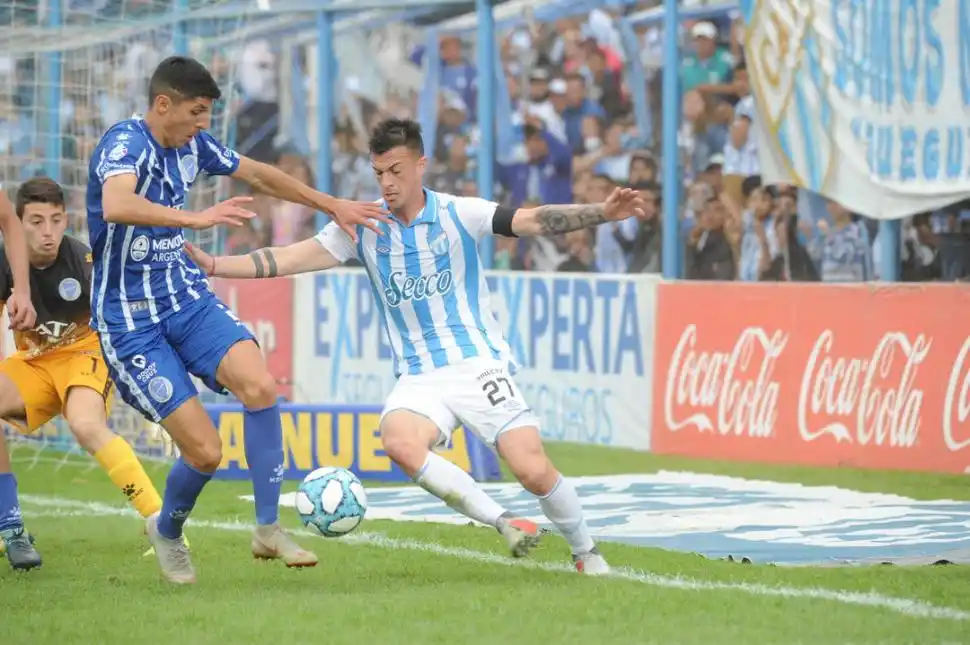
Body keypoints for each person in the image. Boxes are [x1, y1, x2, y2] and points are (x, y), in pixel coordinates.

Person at [185, 118, 647, 575]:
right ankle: (504, 522)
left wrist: (602, 213)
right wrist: (215, 264)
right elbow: (287, 259)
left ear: (421, 164)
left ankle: (586, 552)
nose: (387, 183)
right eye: (380, 173)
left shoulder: (457, 213)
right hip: (420, 376)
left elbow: (529, 220)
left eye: (397, 171)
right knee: (399, 441)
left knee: (532, 470)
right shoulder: (362, 225)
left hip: (476, 364)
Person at [86, 55, 387, 585]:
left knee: (261, 386)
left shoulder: (194, 145)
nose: (204, 125)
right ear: (163, 105)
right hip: (128, 320)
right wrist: (193, 218)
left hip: (183, 296)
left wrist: (330, 203)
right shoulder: (125, 144)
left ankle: (268, 528)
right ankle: (169, 529)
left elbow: (257, 173)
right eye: (196, 112)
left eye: (207, 114)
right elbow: (115, 203)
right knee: (204, 451)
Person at [0, 178, 176, 570]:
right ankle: (9, 526)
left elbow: (120, 316)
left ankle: (159, 523)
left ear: (66, 220)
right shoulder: (5, 262)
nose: (48, 232)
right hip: (35, 363)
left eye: (56, 220)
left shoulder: (81, 261)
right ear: (18, 223)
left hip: (85, 353)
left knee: (85, 424)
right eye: (36, 221)